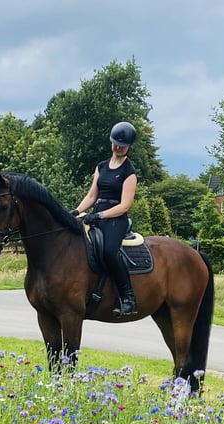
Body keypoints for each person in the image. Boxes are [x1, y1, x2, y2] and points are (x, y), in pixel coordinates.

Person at [70, 121, 138, 316]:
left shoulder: (129, 172)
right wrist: (76, 211)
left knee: (109, 251)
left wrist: (99, 215)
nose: (118, 147)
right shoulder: (101, 167)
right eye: (115, 143)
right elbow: (92, 196)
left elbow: (125, 205)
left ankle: (128, 298)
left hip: (116, 219)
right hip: (96, 215)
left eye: (122, 145)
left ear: (128, 147)